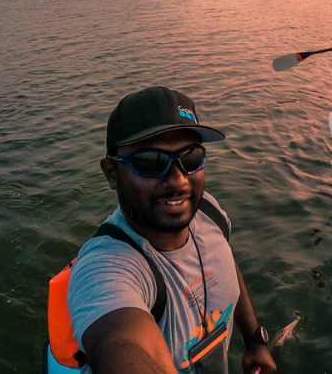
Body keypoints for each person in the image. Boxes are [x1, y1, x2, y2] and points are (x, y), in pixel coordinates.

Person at [64, 86, 277, 374]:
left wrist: (253, 340)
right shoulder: (106, 268)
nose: (178, 181)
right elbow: (120, 344)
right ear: (111, 173)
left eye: (191, 158)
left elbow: (225, 259)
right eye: (151, 162)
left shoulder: (208, 212)